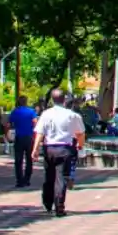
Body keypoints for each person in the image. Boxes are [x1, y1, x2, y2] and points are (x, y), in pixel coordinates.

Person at [31, 89, 85, 217]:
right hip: (65, 149)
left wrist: (35, 148)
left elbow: (40, 132)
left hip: (49, 148)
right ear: (64, 100)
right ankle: (59, 206)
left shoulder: (46, 114)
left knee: (49, 177)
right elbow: (81, 133)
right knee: (61, 178)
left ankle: (48, 203)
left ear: (52, 99)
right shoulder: (72, 115)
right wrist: (80, 144)